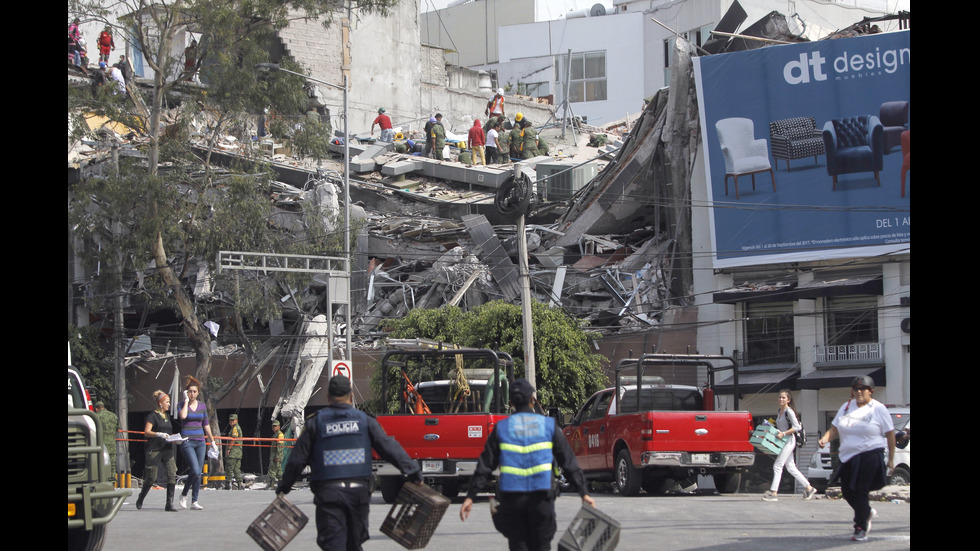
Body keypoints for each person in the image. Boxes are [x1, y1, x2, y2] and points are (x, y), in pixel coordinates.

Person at [277, 376, 422, 551]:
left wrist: (284, 488)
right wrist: (413, 472)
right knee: (354, 544)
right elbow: (389, 448)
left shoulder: (316, 423)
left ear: (329, 397)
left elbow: (296, 460)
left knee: (334, 545)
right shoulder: (365, 421)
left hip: (329, 495)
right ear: (351, 396)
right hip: (358, 496)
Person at [460, 379, 595, 551]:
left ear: (512, 403)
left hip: (512, 502)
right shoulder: (548, 426)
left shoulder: (501, 428)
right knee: (541, 546)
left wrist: (471, 496)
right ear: (532, 399)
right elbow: (568, 462)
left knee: (518, 546)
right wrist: (584, 493)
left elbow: (485, 465)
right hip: (541, 502)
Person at [817, 376, 895, 542]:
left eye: (863, 389)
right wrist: (825, 439)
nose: (859, 392)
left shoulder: (878, 409)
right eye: (856, 389)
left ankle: (860, 527)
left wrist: (891, 460)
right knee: (847, 491)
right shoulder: (846, 407)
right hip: (849, 456)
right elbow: (835, 429)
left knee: (860, 490)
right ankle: (865, 511)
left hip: (871, 453)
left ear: (870, 391)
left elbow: (890, 434)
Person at [762, 390, 817, 501]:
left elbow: (797, 427)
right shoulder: (779, 411)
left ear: (788, 400)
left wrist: (784, 433)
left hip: (789, 440)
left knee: (778, 465)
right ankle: (809, 488)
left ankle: (773, 493)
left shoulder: (789, 411)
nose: (781, 399)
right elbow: (781, 427)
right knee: (791, 467)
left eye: (783, 398)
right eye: (779, 397)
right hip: (783, 440)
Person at [178, 376, 216, 510]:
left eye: (194, 391)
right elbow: (182, 416)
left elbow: (206, 424)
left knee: (198, 472)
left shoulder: (202, 406)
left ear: (198, 392)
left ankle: (194, 500)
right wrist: (186, 401)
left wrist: (212, 441)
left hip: (200, 441)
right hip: (187, 441)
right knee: (194, 469)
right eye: (190, 391)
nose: (192, 394)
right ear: (186, 392)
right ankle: (183, 494)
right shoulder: (182, 405)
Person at [136, 390, 179, 511]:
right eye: (167, 402)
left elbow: (169, 432)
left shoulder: (167, 417)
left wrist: (175, 439)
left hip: (167, 448)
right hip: (154, 449)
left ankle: (169, 503)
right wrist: (158, 434)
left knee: (172, 473)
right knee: (151, 477)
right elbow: (147, 432)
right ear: (160, 403)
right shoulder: (153, 415)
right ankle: (141, 497)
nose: (169, 404)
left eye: (169, 402)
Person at [94, 401, 119, 478]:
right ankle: (112, 480)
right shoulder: (114, 416)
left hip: (101, 444)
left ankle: (102, 479)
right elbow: (117, 429)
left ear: (96, 409)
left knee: (101, 463)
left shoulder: (96, 416)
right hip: (112, 444)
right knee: (112, 463)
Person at [225, 413, 244, 490]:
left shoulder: (235, 428)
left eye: (233, 420)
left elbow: (233, 439)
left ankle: (227, 484)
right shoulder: (236, 428)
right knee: (236, 469)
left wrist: (229, 449)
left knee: (229, 468)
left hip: (234, 452)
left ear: (237, 420)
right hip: (238, 452)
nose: (231, 422)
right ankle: (239, 483)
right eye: (230, 420)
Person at [268, 419, 285, 488]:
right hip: (274, 455)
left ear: (279, 427)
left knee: (272, 470)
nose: (274, 427)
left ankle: (271, 485)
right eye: (273, 426)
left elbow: (280, 447)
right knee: (278, 471)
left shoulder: (280, 435)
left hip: (276, 456)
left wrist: (277, 457)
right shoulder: (275, 434)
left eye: (275, 426)